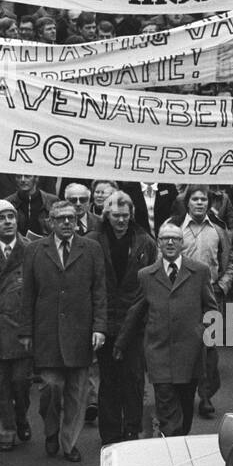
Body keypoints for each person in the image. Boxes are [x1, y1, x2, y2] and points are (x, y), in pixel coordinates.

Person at [19, 199, 107, 463]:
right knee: (50, 388)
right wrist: (26, 331)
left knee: (77, 392)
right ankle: (50, 430)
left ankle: (69, 442)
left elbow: (99, 291)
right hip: (46, 332)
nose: (67, 222)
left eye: (71, 218)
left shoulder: (91, 249)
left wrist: (100, 327)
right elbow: (27, 295)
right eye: (61, 219)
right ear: (51, 222)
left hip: (81, 331)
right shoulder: (35, 250)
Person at [115, 220, 216, 436]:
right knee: (167, 408)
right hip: (159, 352)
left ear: (182, 244)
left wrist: (205, 335)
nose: (170, 243)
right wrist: (121, 343)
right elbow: (136, 311)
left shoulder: (199, 272)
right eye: (165, 239)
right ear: (158, 243)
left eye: (175, 239)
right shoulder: (146, 275)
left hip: (191, 353)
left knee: (186, 405)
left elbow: (212, 309)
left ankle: (178, 440)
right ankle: (171, 448)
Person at [89, 190, 156, 445]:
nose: (121, 221)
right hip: (105, 319)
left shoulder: (144, 241)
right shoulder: (93, 240)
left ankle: (132, 428)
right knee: (109, 380)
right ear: (107, 215)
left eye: (125, 216)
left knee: (134, 379)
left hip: (136, 320)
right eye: (116, 215)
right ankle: (110, 432)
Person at [176, 187, 233, 418]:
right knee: (184, 345)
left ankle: (207, 395)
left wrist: (222, 286)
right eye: (195, 199)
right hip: (181, 294)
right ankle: (183, 394)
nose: (199, 203)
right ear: (187, 203)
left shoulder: (218, 231)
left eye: (203, 199)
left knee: (209, 347)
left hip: (210, 294)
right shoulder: (175, 227)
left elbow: (229, 261)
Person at [0, 200, 33, 451]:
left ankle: (21, 416)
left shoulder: (31, 250)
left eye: (11, 216)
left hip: (21, 329)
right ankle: (6, 430)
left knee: (21, 383)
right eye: (1, 218)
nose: (8, 221)